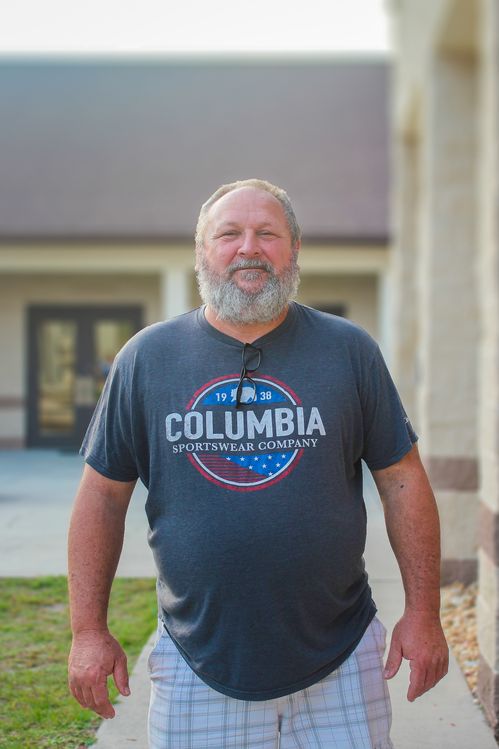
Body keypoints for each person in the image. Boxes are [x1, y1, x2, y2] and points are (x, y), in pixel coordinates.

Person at [68, 178, 448, 748]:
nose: (249, 247)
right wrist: (88, 631)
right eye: (229, 234)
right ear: (203, 251)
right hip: (197, 662)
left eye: (267, 233)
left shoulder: (349, 351)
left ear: (294, 250)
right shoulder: (147, 358)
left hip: (342, 658)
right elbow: (101, 496)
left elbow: (403, 481)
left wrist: (423, 614)